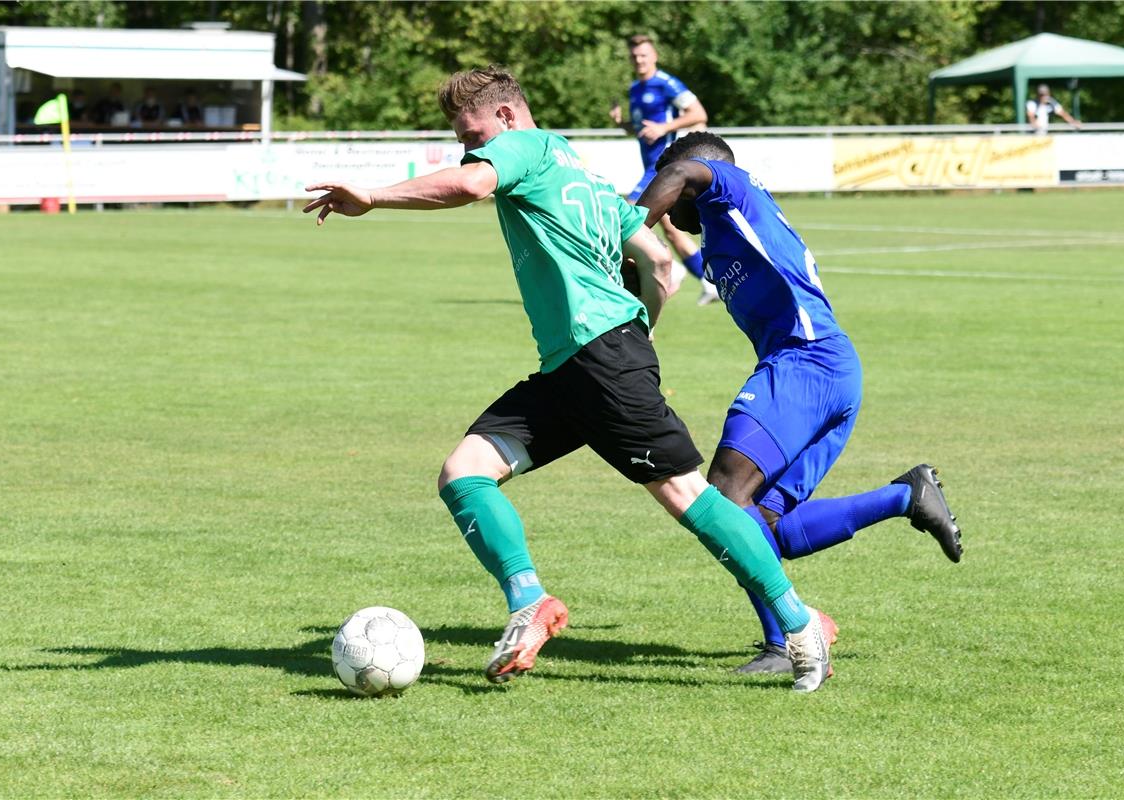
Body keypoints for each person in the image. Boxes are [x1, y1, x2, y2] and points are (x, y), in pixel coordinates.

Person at [304, 66, 834, 692]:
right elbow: (660, 263)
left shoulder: (521, 148)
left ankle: (801, 627)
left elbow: (471, 185)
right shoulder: (577, 167)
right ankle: (529, 602)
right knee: (464, 473)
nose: (469, 149)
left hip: (600, 361)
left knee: (689, 498)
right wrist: (642, 331)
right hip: (575, 365)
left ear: (505, 116)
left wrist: (373, 197)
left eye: (472, 134)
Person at [635, 131, 963, 674]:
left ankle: (782, 643)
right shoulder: (721, 232)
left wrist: (625, 223)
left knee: (722, 496)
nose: (671, 201)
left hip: (804, 362)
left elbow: (683, 175)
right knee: (763, 528)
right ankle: (905, 496)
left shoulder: (731, 189)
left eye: (673, 191)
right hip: (830, 371)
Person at [610, 35, 717, 306]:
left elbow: (699, 113)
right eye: (634, 56)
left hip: (665, 166)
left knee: (630, 214)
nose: (639, 60)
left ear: (654, 56)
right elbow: (642, 131)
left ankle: (668, 270)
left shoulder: (667, 83)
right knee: (671, 230)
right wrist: (622, 123)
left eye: (644, 55)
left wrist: (665, 128)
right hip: (650, 166)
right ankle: (707, 281)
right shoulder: (636, 88)